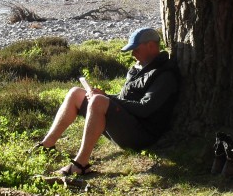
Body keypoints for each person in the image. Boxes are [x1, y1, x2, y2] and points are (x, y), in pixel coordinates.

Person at [34, 27, 180, 175]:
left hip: (142, 135)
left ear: (151, 46)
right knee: (76, 93)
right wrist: (107, 96)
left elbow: (145, 108)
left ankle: (81, 165)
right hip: (126, 124)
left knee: (98, 101)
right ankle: (46, 145)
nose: (133, 53)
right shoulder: (138, 68)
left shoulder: (165, 75)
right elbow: (125, 99)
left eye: (136, 49)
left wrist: (107, 98)